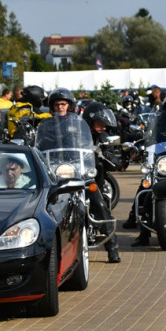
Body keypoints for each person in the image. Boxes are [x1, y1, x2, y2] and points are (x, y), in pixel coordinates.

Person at [46, 89, 120, 263]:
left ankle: (112, 247)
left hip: (81, 174)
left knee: (98, 202)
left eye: (63, 104)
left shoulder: (79, 125)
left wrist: (100, 152)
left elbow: (87, 143)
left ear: (69, 106)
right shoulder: (47, 126)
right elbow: (41, 146)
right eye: (57, 105)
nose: (60, 107)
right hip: (58, 173)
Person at [127, 92, 166, 246]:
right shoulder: (159, 122)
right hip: (162, 163)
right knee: (145, 187)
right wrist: (144, 139)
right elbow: (150, 136)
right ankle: (143, 232)